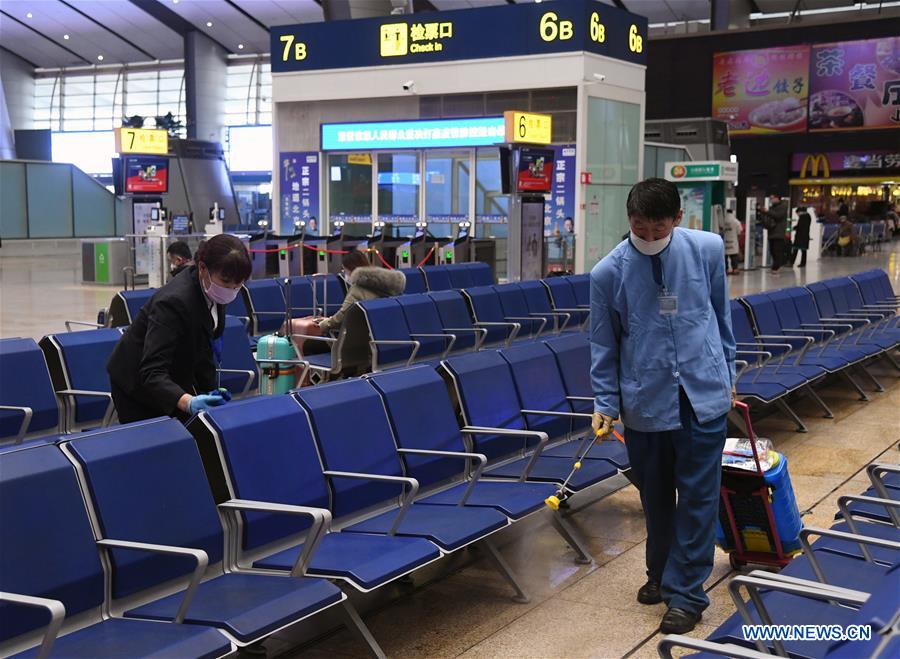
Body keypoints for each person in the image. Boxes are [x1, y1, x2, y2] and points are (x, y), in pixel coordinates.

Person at [589, 178, 735, 635]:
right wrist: (605, 402)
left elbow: (720, 316)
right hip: (645, 401)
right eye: (639, 225)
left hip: (702, 395)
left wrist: (727, 375)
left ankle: (687, 594)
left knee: (697, 498)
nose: (649, 234)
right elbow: (603, 343)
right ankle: (661, 574)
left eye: (658, 226)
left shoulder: (707, 249)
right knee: (655, 498)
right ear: (628, 219)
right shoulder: (608, 273)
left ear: (677, 219)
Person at [107, 234, 252, 423]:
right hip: (137, 385)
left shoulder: (213, 289)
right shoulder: (172, 303)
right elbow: (152, 371)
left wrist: (209, 393)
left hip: (174, 373)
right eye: (226, 282)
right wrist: (189, 402)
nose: (232, 289)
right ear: (202, 268)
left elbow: (203, 348)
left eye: (238, 284)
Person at [288, 250, 406, 355]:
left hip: (355, 347)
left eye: (344, 269)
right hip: (378, 340)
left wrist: (323, 324)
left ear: (352, 269)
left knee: (308, 344)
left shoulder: (357, 289)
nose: (344, 273)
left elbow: (342, 317)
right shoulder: (387, 288)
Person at [758, 192, 788, 275]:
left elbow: (778, 216)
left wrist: (767, 211)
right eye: (770, 198)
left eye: (772, 198)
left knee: (777, 251)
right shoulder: (772, 207)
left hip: (779, 233)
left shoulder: (783, 206)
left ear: (778, 198)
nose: (771, 200)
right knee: (772, 251)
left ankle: (776, 267)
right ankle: (776, 266)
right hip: (771, 232)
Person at [722, 209, 742, 274]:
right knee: (734, 256)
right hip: (733, 241)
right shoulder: (736, 221)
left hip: (725, 241)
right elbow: (739, 232)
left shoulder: (723, 220)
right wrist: (738, 239)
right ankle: (735, 269)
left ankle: (726, 269)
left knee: (725, 256)